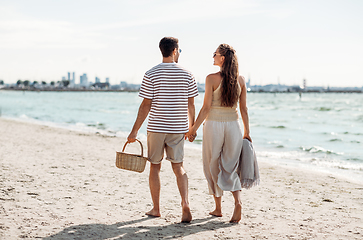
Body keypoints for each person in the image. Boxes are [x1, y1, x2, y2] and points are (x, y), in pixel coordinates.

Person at [127, 37, 198, 223]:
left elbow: (145, 105)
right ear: (174, 51)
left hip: (157, 128)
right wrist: (192, 128)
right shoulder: (187, 74)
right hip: (178, 128)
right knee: (178, 166)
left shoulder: (151, 73)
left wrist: (134, 131)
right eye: (179, 51)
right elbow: (191, 105)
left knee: (155, 167)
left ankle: (157, 208)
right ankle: (185, 203)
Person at [185, 43, 251, 223]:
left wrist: (193, 129)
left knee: (212, 165)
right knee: (230, 166)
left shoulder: (211, 78)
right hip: (234, 126)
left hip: (214, 125)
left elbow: (206, 108)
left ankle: (218, 208)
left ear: (222, 58)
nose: (212, 56)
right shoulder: (241, 80)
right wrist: (247, 132)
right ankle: (237, 203)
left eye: (215, 54)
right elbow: (243, 109)